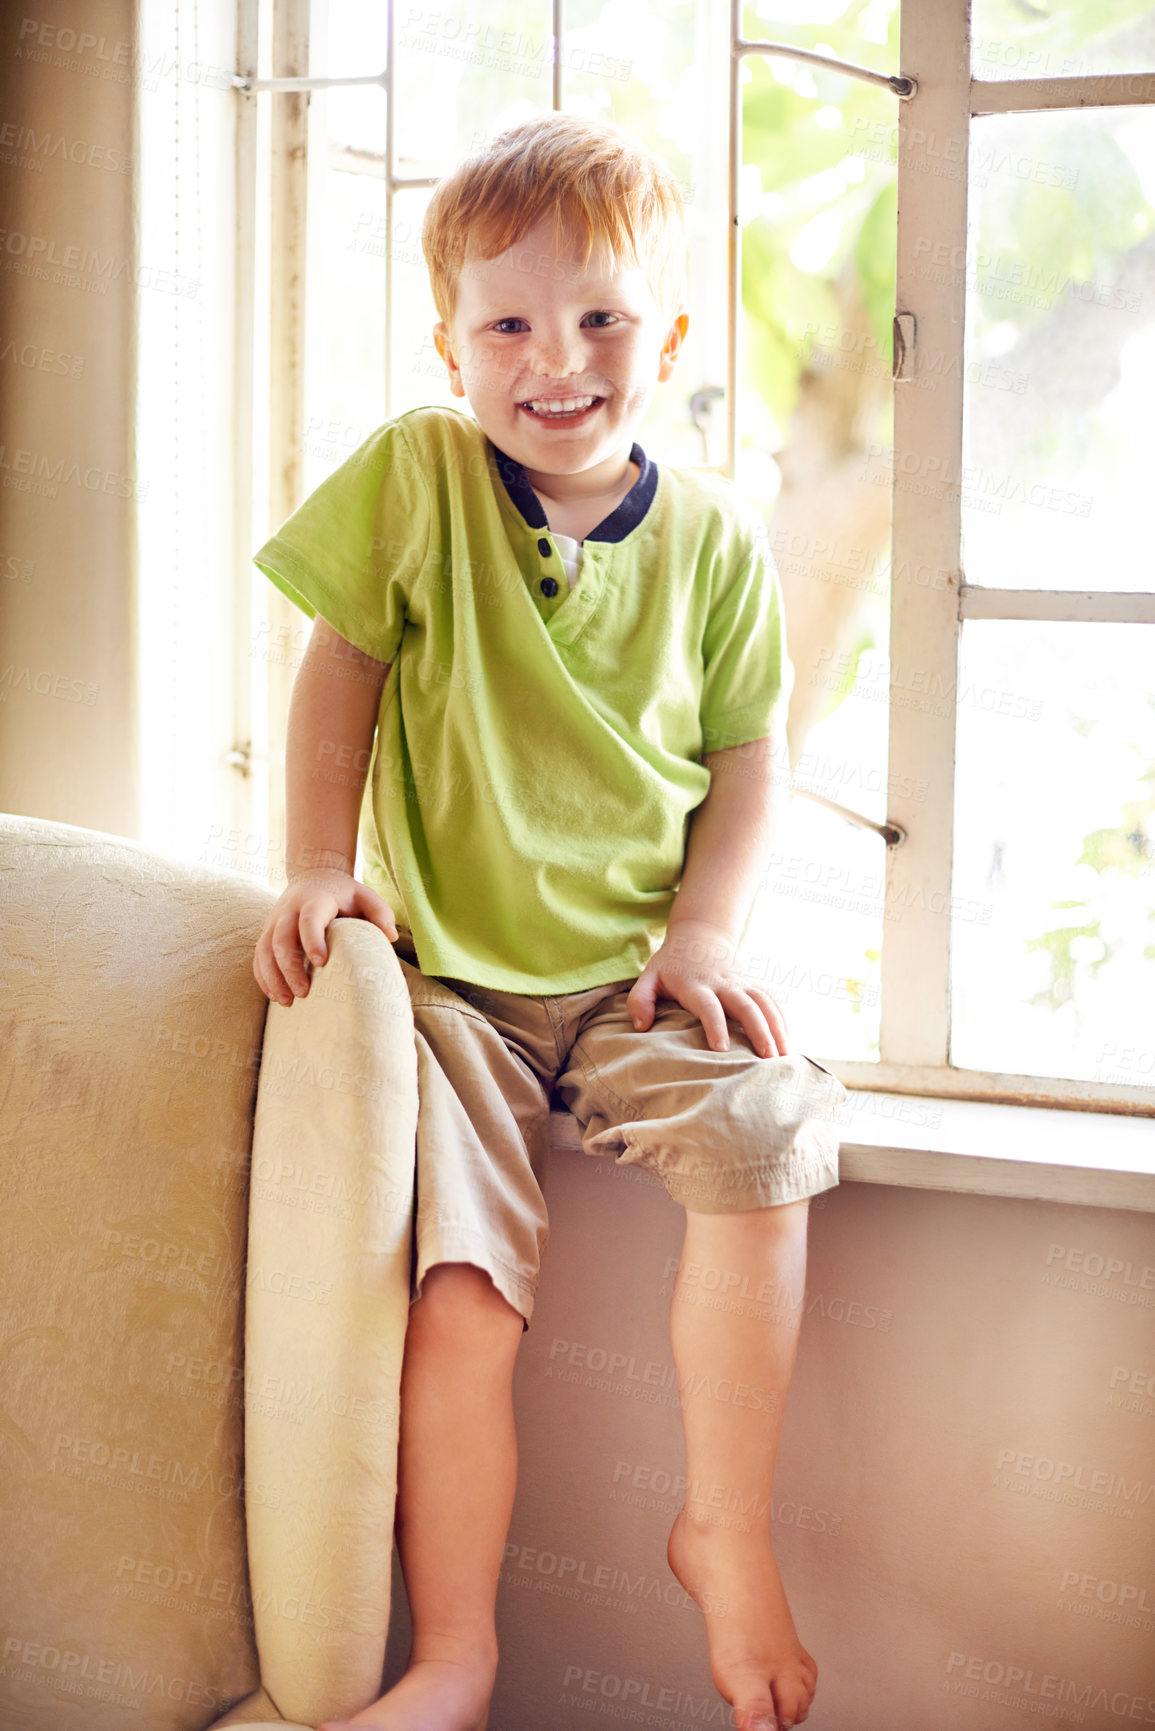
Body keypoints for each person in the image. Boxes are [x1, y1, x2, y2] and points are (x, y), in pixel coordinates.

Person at [251, 111, 845, 1731]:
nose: (554, 358)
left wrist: (708, 934)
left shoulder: (716, 539)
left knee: (768, 1136)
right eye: (506, 322)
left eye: (597, 319)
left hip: (634, 984)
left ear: (667, 337)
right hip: (450, 990)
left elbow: (747, 756)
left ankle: (720, 1529)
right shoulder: (421, 476)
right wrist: (319, 865)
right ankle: (458, 1656)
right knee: (460, 1298)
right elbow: (341, 672)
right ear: (448, 342)